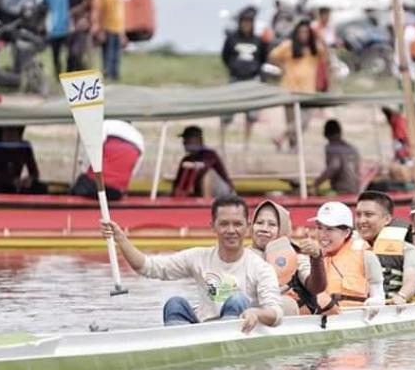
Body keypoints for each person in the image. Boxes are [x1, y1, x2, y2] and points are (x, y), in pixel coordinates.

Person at [101, 195, 284, 333]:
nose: (231, 231)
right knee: (175, 304)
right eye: (224, 224)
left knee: (237, 300)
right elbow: (148, 267)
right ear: (213, 226)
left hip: (240, 331)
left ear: (247, 227)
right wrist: (121, 239)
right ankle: (177, 346)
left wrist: (255, 313)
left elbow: (276, 313)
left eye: (237, 224)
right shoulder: (198, 257)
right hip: (203, 329)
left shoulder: (260, 268)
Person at [249, 200, 327, 315]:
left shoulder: (295, 256)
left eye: (272, 224)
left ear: (283, 229)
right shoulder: (244, 257)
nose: (264, 229)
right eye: (259, 223)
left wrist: (316, 258)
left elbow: (316, 287)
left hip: (292, 324)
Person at [310, 201, 385, 315]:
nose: (322, 235)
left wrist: (375, 302)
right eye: (319, 228)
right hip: (316, 318)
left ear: (346, 232)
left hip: (352, 316)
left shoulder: (366, 255)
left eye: (330, 229)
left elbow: (378, 294)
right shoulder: (310, 256)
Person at [354, 191, 415, 308]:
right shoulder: (347, 246)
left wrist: (402, 296)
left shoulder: (408, 250)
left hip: (389, 308)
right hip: (352, 308)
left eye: (368, 215)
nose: (361, 221)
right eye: (358, 215)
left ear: (387, 219)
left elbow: (411, 283)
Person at [268, 18, 325, 151]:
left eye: (306, 32)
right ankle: (294, 148)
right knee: (291, 121)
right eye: (301, 32)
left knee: (303, 121)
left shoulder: (314, 48)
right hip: (289, 89)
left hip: (308, 91)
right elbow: (272, 56)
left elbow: (325, 55)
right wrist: (282, 67)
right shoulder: (288, 46)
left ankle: (281, 137)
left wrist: (320, 35)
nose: (303, 35)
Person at [220, 6, 268, 150]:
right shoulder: (232, 38)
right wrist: (233, 67)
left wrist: (256, 71)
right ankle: (222, 141)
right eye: (244, 21)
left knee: (251, 113)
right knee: (227, 110)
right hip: (235, 78)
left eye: (249, 22)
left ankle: (246, 142)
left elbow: (263, 58)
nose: (247, 24)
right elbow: (225, 56)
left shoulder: (258, 40)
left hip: (252, 79)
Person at [71, 120, 144, 200]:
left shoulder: (105, 125)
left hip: (94, 183)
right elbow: (134, 169)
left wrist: (84, 169)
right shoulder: (139, 138)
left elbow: (92, 150)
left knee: (79, 187)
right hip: (116, 190)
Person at [171, 126, 234, 198]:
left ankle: (206, 205)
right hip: (198, 192)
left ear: (199, 140)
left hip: (223, 195)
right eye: (184, 139)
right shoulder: (186, 159)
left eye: (188, 139)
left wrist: (194, 165)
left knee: (207, 173)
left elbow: (204, 165)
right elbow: (178, 182)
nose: (184, 142)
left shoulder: (209, 154)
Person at [0, 126, 48, 194]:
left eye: (13, 132)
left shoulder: (24, 146)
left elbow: (34, 172)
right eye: (8, 132)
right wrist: (10, 181)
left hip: (17, 186)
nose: (10, 136)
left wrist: (30, 179)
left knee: (41, 187)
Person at [312, 119, 360, 195]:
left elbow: (334, 167)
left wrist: (315, 183)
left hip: (340, 192)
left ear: (325, 134)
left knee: (314, 194)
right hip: (355, 190)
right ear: (340, 132)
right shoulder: (352, 149)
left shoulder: (331, 148)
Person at [91, 0, 126, 81]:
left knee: (116, 55)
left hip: (117, 29)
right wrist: (99, 30)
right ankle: (108, 75)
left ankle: (115, 75)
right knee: (108, 54)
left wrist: (123, 34)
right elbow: (98, 14)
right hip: (107, 29)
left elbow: (121, 16)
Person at [44, 0, 70, 76]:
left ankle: (69, 71)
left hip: (66, 29)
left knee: (70, 53)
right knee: (56, 55)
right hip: (54, 30)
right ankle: (58, 73)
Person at [67, 0, 94, 71]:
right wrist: (83, 5)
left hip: (86, 30)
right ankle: (75, 70)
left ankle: (87, 71)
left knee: (88, 53)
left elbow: (92, 12)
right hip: (74, 30)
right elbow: (69, 13)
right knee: (74, 53)